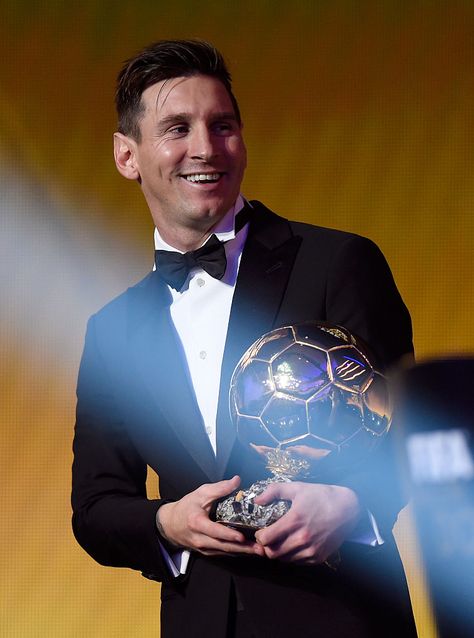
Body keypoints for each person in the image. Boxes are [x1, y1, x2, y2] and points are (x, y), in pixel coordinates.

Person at [72, 39, 417, 637]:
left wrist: (354, 506)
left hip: (343, 616)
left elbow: (416, 429)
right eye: (176, 128)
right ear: (127, 156)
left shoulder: (339, 263)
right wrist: (167, 524)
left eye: (222, 124)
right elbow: (97, 508)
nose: (205, 148)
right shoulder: (112, 333)